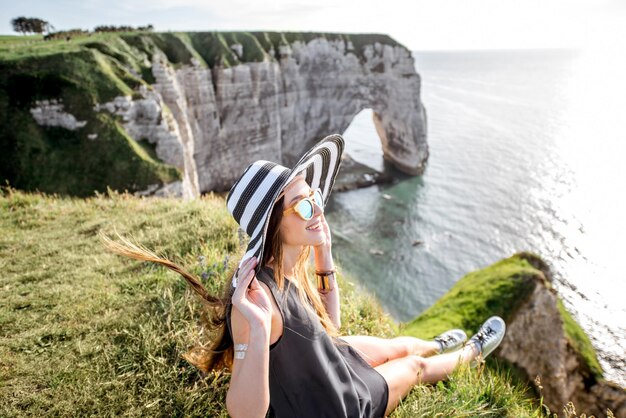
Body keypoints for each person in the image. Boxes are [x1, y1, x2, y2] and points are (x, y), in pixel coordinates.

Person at [102, 134, 506, 418]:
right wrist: (257, 333)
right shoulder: (256, 301)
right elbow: (245, 414)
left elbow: (330, 327)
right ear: (275, 224)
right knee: (413, 368)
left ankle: (435, 343)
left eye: (313, 196)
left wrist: (324, 252)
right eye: (302, 204)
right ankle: (469, 354)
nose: (316, 205)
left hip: (324, 365)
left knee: (393, 344)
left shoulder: (284, 265)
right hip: (336, 404)